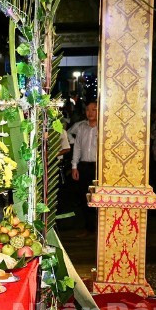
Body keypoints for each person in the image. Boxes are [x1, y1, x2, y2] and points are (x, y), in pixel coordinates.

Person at [71, 100, 98, 236]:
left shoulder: (103, 128)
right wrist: (74, 166)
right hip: (84, 166)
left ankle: (101, 227)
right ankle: (89, 227)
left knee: (98, 197)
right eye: (88, 110)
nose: (90, 113)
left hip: (98, 167)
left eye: (94, 109)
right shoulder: (81, 127)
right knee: (84, 197)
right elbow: (77, 147)